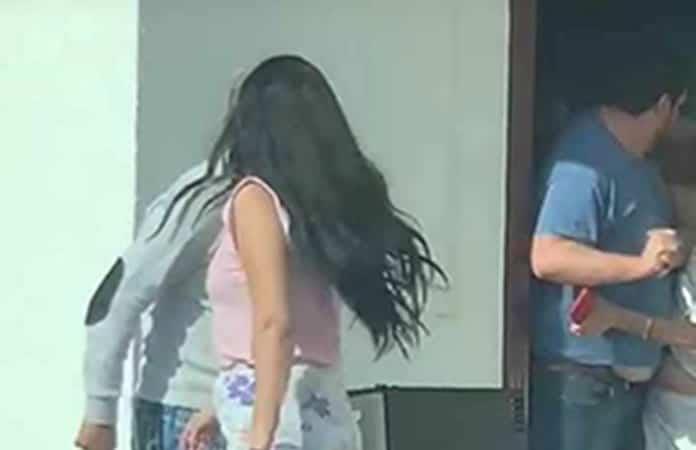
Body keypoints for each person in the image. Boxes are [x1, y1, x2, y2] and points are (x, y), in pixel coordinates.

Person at [154, 55, 447, 450]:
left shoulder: (255, 201)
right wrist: (218, 404)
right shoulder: (310, 210)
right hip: (322, 405)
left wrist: (260, 434)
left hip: (272, 411)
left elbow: (274, 323)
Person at [530, 31, 690, 450]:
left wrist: (675, 248)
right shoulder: (586, 161)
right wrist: (641, 265)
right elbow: (549, 256)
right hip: (584, 386)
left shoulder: (640, 163)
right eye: (679, 109)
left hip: (621, 388)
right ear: (663, 105)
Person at [74, 162, 228, 450]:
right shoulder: (209, 195)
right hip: (190, 417)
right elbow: (120, 294)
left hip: (280, 411)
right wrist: (99, 415)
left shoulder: (300, 185)